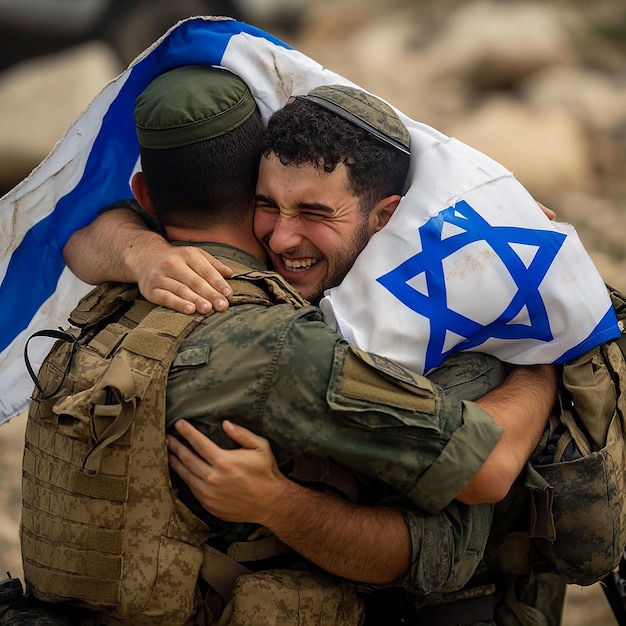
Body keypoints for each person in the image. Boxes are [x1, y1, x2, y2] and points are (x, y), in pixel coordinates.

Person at [12, 65, 557, 626]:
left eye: (313, 211)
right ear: (252, 184)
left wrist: (140, 255)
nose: (283, 235)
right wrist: (542, 357)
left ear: (147, 194)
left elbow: (82, 233)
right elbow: (484, 469)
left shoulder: (121, 291)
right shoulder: (274, 343)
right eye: (270, 205)